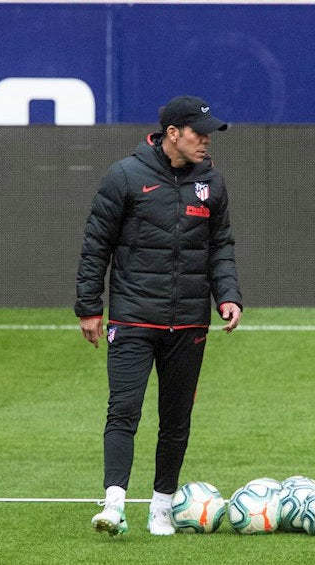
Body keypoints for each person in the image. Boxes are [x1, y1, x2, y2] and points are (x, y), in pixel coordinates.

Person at [75, 94, 242, 536]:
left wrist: (229, 295)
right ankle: (114, 503)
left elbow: (220, 246)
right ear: (172, 134)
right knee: (124, 409)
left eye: (209, 134)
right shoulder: (125, 176)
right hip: (133, 317)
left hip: (189, 321)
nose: (207, 142)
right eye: (199, 133)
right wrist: (90, 307)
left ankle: (162, 508)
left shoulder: (213, 183)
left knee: (176, 418)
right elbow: (96, 246)